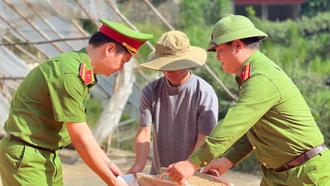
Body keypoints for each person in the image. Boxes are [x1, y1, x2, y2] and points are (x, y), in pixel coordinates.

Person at [166, 15, 330, 186]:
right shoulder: (252, 76)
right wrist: (228, 160)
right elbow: (252, 131)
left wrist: (192, 163)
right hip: (278, 175)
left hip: (306, 175)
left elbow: (233, 124)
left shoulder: (261, 78)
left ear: (237, 46)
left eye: (220, 50)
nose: (217, 57)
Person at [0, 19, 152, 186]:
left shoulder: (80, 70)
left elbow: (82, 127)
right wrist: (113, 182)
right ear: (109, 49)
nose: (121, 68)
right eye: (123, 61)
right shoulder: (70, 74)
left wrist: (107, 163)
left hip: (45, 154)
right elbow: (78, 137)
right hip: (27, 156)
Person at [127, 31, 218, 175]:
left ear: (187, 62)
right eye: (164, 64)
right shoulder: (150, 92)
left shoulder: (204, 93)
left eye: (174, 65)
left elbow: (204, 139)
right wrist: (139, 164)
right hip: (159, 173)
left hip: (193, 175)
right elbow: (144, 132)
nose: (168, 70)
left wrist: (189, 167)